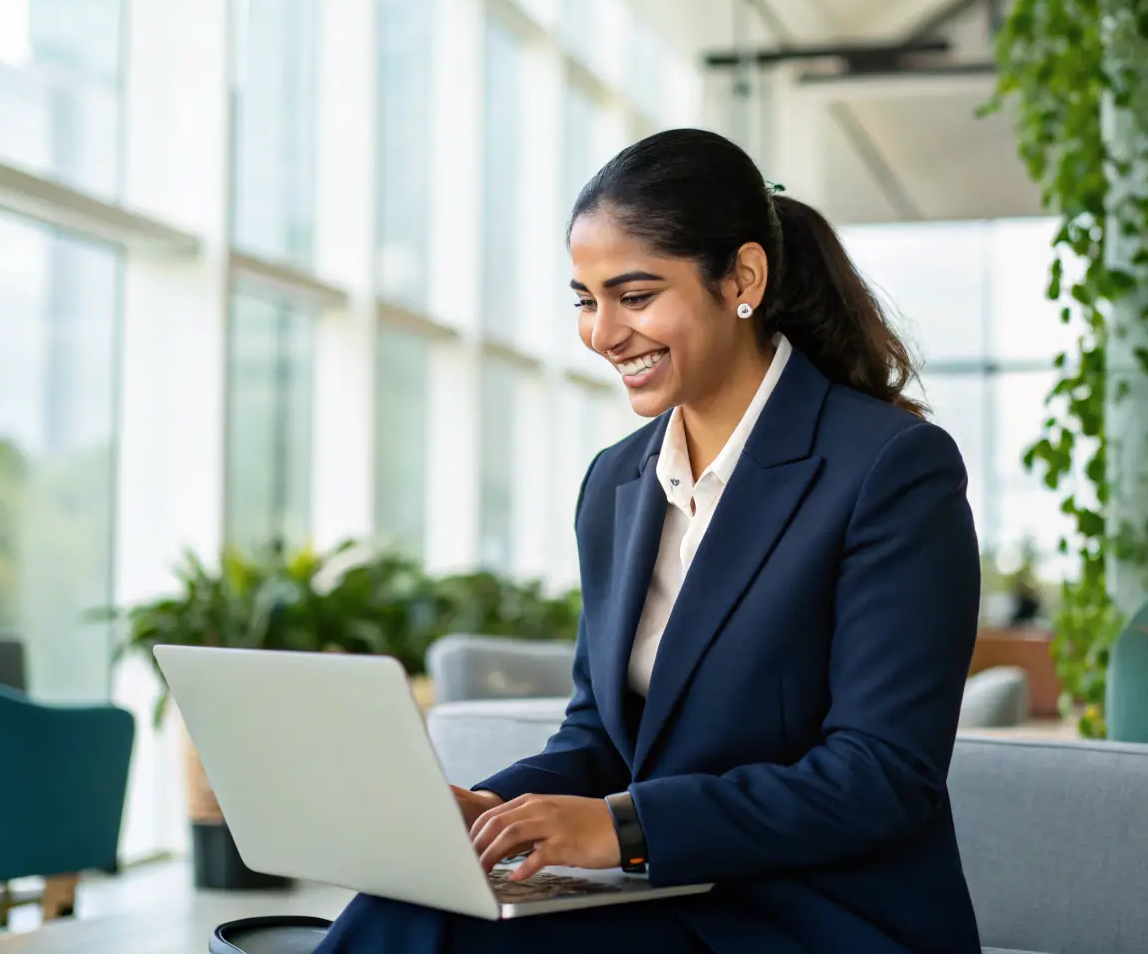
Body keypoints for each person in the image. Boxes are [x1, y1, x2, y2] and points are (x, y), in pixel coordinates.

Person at [316, 128, 983, 953]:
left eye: (633, 296)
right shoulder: (615, 484)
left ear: (740, 279)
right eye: (585, 300)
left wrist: (622, 827)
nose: (601, 333)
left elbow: (881, 777)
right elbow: (597, 739)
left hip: (811, 917)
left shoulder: (888, 469)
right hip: (665, 891)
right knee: (416, 904)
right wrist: (486, 814)